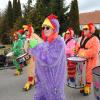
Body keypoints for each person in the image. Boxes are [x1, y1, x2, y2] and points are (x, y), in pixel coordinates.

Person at [28, 14, 67, 100]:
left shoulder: (59, 42)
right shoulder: (46, 42)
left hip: (54, 85)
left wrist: (35, 48)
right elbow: (34, 53)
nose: (45, 29)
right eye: (43, 27)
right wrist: (31, 46)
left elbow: (49, 61)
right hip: (42, 83)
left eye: (47, 27)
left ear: (54, 28)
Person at [75, 23, 100, 96]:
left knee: (89, 72)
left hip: (91, 59)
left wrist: (82, 54)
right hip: (81, 59)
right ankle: (83, 85)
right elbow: (77, 46)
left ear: (90, 30)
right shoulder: (81, 38)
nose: (84, 30)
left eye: (86, 29)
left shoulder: (95, 39)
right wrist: (75, 51)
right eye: (83, 29)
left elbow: (94, 51)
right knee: (80, 72)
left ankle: (88, 87)